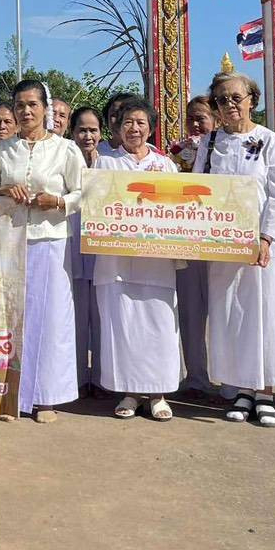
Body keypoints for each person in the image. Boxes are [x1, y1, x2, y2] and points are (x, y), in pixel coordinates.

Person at [197, 70, 275, 427]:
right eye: (221, 99)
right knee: (233, 317)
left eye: (236, 97)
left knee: (266, 317)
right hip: (223, 246)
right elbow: (200, 189)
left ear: (252, 100)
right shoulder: (210, 142)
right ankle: (242, 389)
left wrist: (266, 237)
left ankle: (266, 393)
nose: (230, 105)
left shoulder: (269, 141)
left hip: (262, 247)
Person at [0, 79, 84, 422]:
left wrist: (60, 201)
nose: (25, 111)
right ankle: (10, 397)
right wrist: (4, 189)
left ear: (45, 108)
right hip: (9, 241)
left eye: (32, 105)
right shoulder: (0, 149)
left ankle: (46, 398)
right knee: (10, 318)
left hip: (50, 240)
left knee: (49, 319)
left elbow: (84, 193)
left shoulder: (65, 149)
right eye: (20, 105)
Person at [94, 98, 181, 421]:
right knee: (124, 326)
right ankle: (129, 392)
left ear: (151, 128)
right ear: (117, 127)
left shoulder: (166, 166)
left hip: (156, 262)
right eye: (128, 122)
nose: (134, 128)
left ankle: (158, 393)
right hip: (116, 261)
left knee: (159, 326)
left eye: (141, 123)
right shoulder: (105, 163)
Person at [173, 96, 216, 397]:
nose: (196, 124)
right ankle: (196, 377)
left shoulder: (227, 149)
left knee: (226, 313)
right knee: (190, 312)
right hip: (187, 242)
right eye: (191, 118)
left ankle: (233, 381)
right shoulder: (176, 154)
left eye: (202, 117)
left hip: (221, 241)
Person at [66, 105, 103, 392]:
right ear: (72, 132)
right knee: (76, 318)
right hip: (72, 247)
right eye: (82, 130)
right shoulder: (65, 158)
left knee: (103, 318)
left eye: (93, 130)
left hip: (104, 252)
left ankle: (103, 378)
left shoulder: (110, 164)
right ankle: (76, 378)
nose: (87, 136)